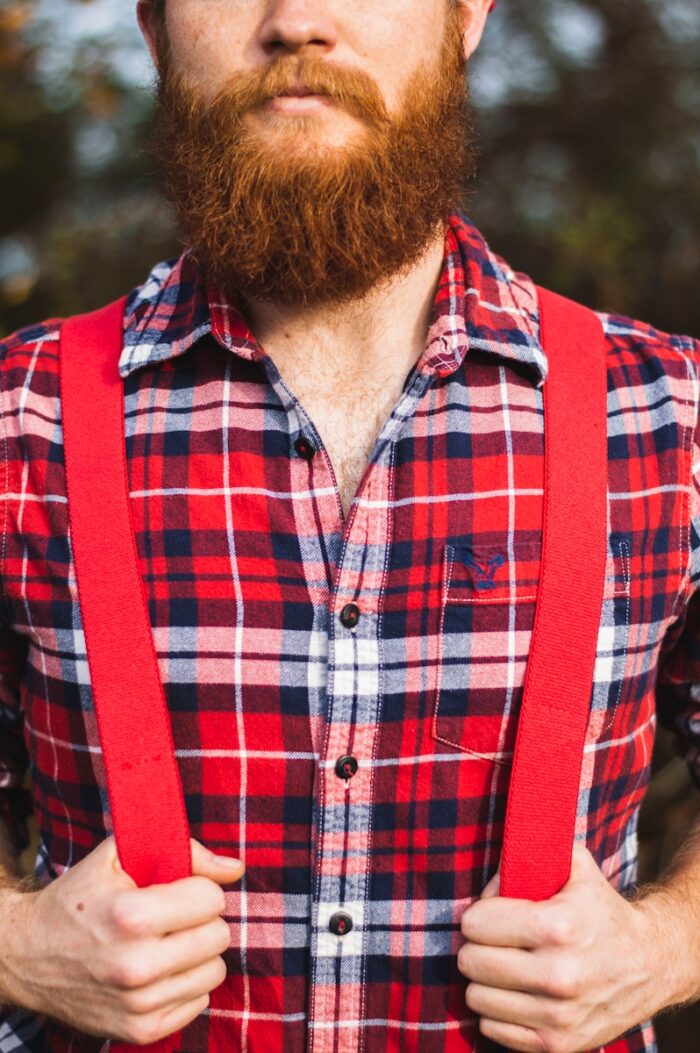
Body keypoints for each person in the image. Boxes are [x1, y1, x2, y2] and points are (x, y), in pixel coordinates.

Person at [0, 1, 699, 1051]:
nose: (297, 21)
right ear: (151, 29)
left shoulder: (671, 414)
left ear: (466, 17)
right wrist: (17, 947)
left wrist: (666, 949)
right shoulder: (19, 418)